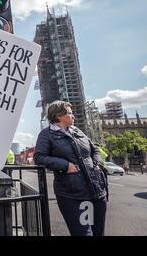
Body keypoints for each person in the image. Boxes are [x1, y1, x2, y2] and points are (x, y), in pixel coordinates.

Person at [34, 101, 108, 236]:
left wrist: (97, 163)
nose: (73, 116)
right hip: (73, 195)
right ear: (58, 116)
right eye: (69, 113)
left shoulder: (78, 131)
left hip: (97, 192)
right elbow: (39, 157)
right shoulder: (46, 134)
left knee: (98, 233)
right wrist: (65, 165)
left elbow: (95, 149)